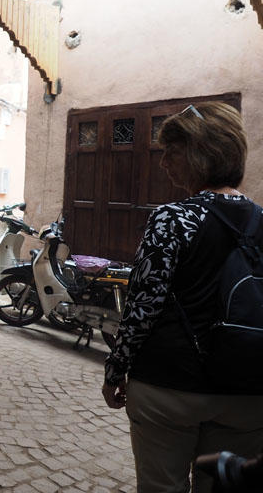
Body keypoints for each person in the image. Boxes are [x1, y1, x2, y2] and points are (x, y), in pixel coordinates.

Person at [101, 102, 263, 493]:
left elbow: (143, 307)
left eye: (170, 152)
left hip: (169, 387)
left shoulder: (172, 218)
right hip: (247, 390)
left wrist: (115, 370)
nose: (163, 163)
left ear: (197, 153)